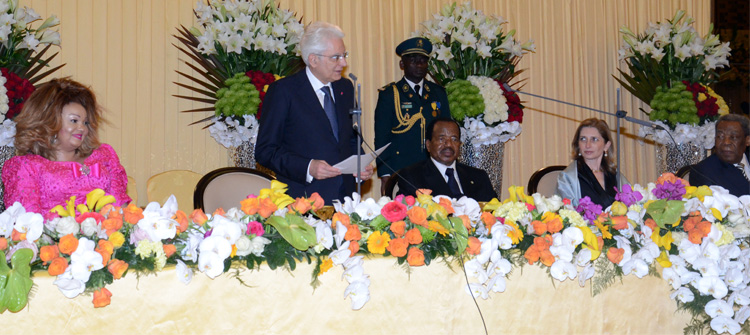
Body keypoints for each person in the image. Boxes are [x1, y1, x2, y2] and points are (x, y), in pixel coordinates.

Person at [255, 21, 373, 204]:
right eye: (336, 57)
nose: (344, 63)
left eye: (344, 55)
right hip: (303, 200)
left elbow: (350, 138)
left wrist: (360, 163)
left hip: (346, 199)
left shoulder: (345, 88)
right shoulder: (284, 91)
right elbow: (265, 151)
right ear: (313, 59)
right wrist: (308, 167)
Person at [2, 78, 131, 217]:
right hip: (53, 238)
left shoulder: (105, 156)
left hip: (107, 237)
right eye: (74, 120)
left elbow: (122, 212)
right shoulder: (26, 167)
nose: (82, 128)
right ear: (49, 121)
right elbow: (26, 224)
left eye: (85, 122)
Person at [374, 37, 451, 195]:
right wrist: (385, 174)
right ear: (402, 64)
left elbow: (447, 132)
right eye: (413, 60)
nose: (419, 65)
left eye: (423, 61)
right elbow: (382, 137)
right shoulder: (390, 94)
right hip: (401, 170)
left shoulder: (438, 93)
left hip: (434, 169)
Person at [396, 118, 496, 201]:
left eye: (454, 139)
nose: (448, 144)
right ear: (428, 145)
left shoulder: (478, 176)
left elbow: (496, 214)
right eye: (441, 139)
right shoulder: (412, 177)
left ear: (459, 145)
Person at [556, 118, 628, 208]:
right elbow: (567, 213)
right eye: (583, 139)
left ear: (606, 145)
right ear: (578, 144)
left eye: (594, 139)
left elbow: (631, 206)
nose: (587, 145)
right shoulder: (568, 178)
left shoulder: (616, 175)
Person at [690, 114, 750, 196]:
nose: (726, 142)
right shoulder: (703, 172)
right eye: (720, 136)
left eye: (734, 137)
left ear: (747, 140)